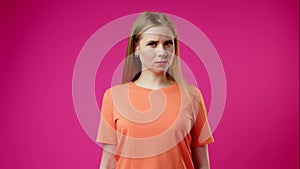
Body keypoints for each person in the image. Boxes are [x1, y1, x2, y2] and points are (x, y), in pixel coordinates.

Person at [96, 11, 214, 169]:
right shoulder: (113, 97)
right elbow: (108, 163)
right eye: (152, 44)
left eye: (168, 43)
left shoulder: (192, 96)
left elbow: (203, 164)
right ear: (137, 48)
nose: (162, 52)